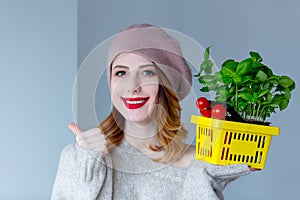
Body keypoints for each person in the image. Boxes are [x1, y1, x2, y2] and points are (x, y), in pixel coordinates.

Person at [51, 23, 251, 200]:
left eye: (147, 72)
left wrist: (209, 175)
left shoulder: (200, 165)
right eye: (121, 72)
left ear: (167, 85)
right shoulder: (78, 158)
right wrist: (89, 171)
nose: (132, 86)